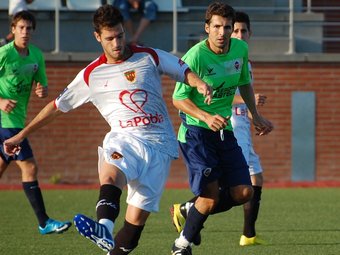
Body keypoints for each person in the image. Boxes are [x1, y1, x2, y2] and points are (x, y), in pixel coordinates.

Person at [3, 4, 212, 254]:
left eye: (120, 35)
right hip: (124, 139)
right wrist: (22, 134)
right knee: (111, 175)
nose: (116, 43)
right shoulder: (91, 74)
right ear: (97, 37)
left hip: (160, 147)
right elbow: (57, 107)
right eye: (110, 38)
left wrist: (199, 83)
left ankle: (112, 240)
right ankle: (103, 226)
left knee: (133, 231)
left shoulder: (149, 56)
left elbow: (182, 70)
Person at [169, 2, 273, 254]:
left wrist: (255, 115)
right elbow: (177, 99)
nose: (223, 32)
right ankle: (181, 245)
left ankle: (188, 211)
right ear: (207, 28)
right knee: (210, 196)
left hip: (224, 132)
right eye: (217, 26)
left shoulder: (240, 48)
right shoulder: (195, 56)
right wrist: (205, 116)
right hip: (196, 133)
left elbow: (244, 83)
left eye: (228, 27)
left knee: (244, 192)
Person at [0, 10, 71, 235]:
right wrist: (0, 100)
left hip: (17, 119)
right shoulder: (3, 53)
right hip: (5, 120)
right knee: (29, 166)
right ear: (12, 30)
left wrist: (42, 90)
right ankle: (44, 222)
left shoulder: (36, 56)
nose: (25, 32)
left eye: (29, 28)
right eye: (20, 28)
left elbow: (42, 87)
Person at [230, 11, 267, 246]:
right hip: (231, 124)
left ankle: (249, 235)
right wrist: (247, 102)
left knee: (256, 178)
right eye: (235, 30)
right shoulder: (227, 60)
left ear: (250, 33)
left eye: (243, 31)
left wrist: (257, 117)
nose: (239, 35)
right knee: (238, 184)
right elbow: (220, 96)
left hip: (242, 123)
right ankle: (185, 209)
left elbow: (245, 96)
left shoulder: (246, 62)